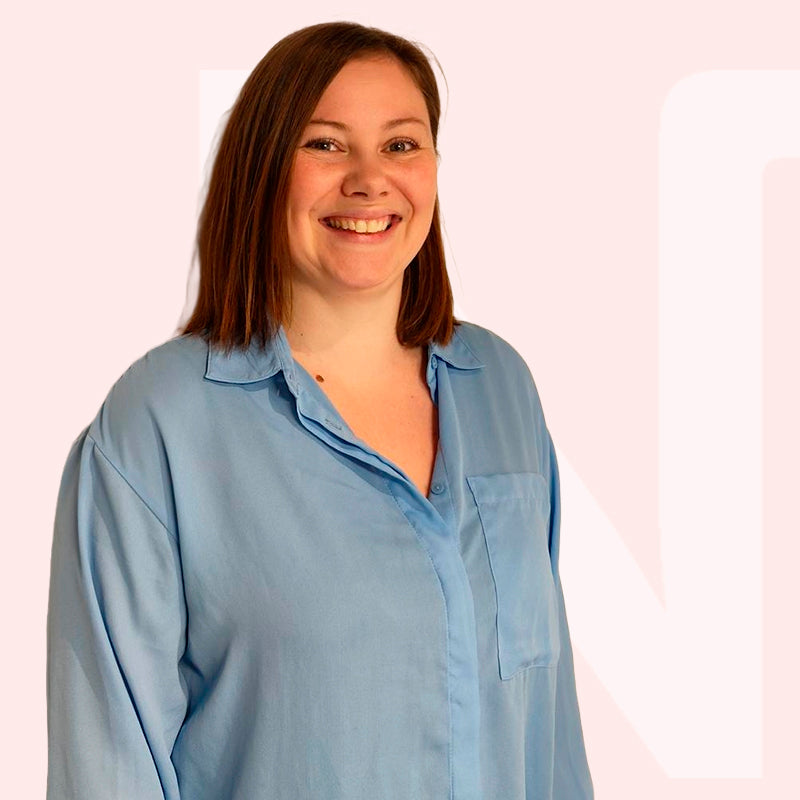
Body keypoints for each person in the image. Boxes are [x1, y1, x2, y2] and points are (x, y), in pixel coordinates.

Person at [46, 21, 593, 800]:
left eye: (401, 144)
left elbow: (547, 732)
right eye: (327, 144)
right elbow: (109, 763)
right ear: (263, 168)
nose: (370, 180)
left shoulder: (501, 388)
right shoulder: (158, 425)